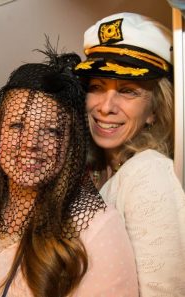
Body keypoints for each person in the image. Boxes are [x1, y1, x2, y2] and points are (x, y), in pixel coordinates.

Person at [0, 50, 139, 297]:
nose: (31, 143)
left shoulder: (96, 227)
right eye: (17, 126)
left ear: (70, 145)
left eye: (51, 131)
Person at [74, 12, 185, 296]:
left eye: (127, 91)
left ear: (155, 110)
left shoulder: (150, 173)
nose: (105, 107)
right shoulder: (100, 171)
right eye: (97, 87)